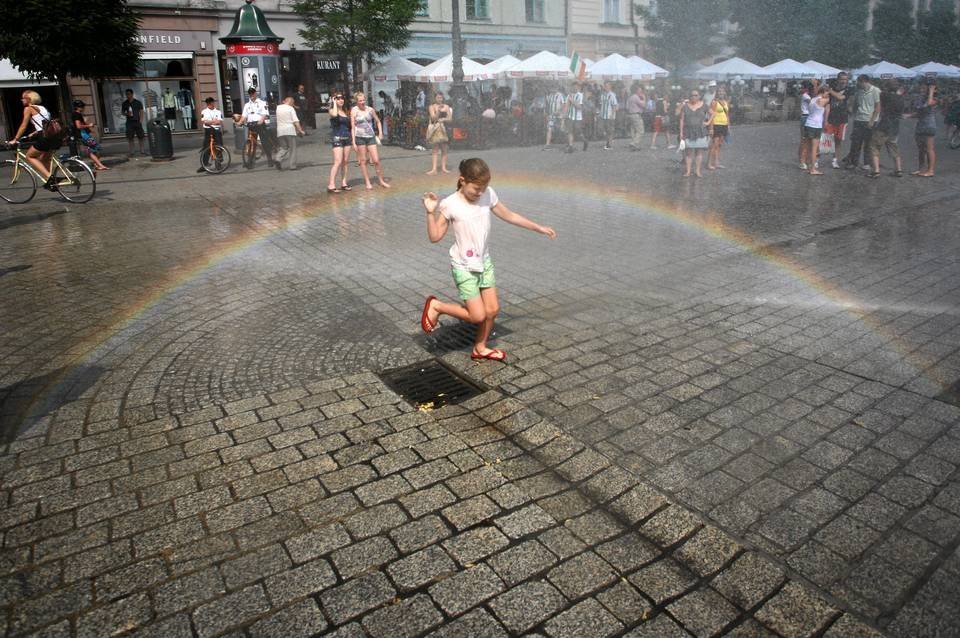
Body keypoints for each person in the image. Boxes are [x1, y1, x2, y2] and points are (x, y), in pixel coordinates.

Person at [419, 158, 557, 361]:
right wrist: (430, 213)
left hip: (484, 262)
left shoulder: (488, 194)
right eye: (476, 188)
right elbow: (434, 237)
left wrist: (538, 227)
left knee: (492, 310)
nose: (480, 192)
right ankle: (437, 306)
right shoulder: (450, 204)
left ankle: (480, 347)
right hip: (464, 267)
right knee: (477, 316)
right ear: (462, 180)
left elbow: (509, 215)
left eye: (483, 188)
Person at [7, 90, 61, 189]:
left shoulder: (28, 108)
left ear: (28, 99)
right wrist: (33, 133)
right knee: (44, 158)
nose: (21, 100)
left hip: (44, 137)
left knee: (29, 156)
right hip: (54, 136)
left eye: (23, 98)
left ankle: (50, 178)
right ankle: (52, 182)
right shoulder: (42, 108)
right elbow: (45, 125)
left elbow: (23, 125)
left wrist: (15, 139)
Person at [351, 91, 389, 189]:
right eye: (360, 101)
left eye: (364, 100)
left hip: (370, 136)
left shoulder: (370, 110)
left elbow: (378, 121)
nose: (362, 102)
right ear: (356, 101)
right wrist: (354, 142)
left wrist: (380, 133)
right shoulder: (354, 110)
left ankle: (381, 180)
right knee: (363, 161)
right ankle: (367, 182)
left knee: (376, 160)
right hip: (360, 137)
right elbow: (353, 127)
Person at [867, 80, 904, 178]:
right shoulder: (900, 98)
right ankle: (898, 170)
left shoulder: (884, 95)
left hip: (884, 125)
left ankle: (876, 171)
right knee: (893, 146)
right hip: (895, 126)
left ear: (887, 87)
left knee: (874, 146)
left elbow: (881, 94)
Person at [843, 74, 880, 170]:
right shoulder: (859, 92)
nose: (857, 84)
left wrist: (872, 120)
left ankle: (867, 163)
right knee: (856, 143)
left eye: (858, 82)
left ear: (864, 81)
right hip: (859, 120)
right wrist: (852, 112)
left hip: (870, 120)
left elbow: (878, 107)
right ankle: (854, 163)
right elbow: (856, 104)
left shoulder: (875, 91)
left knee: (868, 143)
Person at [236, 87, 275, 168]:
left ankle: (270, 159)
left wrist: (260, 121)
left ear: (255, 93)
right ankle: (250, 161)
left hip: (260, 124)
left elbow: (264, 114)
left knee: (264, 142)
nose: (251, 95)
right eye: (250, 94)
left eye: (252, 93)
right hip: (251, 125)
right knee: (251, 144)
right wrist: (239, 122)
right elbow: (244, 116)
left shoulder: (262, 103)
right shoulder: (247, 105)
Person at [70, 100, 109, 172]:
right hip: (83, 135)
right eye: (82, 106)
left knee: (95, 149)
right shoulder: (77, 114)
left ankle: (97, 164)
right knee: (93, 149)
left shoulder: (76, 114)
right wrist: (89, 125)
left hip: (84, 134)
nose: (83, 108)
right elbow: (78, 126)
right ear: (78, 107)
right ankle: (99, 165)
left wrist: (89, 129)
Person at [825, 72, 852, 169]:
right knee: (826, 139)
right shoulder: (832, 88)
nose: (844, 81)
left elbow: (840, 97)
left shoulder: (848, 89)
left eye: (846, 79)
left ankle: (835, 160)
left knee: (838, 140)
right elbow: (827, 102)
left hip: (842, 118)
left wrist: (830, 91)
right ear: (838, 79)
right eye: (842, 79)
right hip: (831, 117)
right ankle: (816, 159)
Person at [679, 89, 708, 177]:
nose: (694, 97)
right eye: (692, 95)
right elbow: (681, 120)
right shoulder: (685, 106)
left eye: (696, 95)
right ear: (689, 96)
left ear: (699, 96)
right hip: (688, 131)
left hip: (700, 131)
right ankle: (688, 171)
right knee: (688, 153)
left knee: (699, 152)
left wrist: (708, 122)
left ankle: (697, 171)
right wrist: (681, 132)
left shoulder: (704, 105)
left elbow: (713, 113)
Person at [327, 93, 352, 193]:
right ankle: (331, 185)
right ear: (334, 100)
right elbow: (334, 115)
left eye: (342, 98)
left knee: (345, 161)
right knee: (337, 161)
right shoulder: (332, 110)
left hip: (347, 138)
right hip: (337, 138)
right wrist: (333, 102)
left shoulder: (345, 111)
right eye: (338, 98)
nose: (341, 100)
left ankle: (344, 183)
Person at [911, 81, 938, 177]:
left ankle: (930, 170)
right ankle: (921, 169)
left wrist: (931, 91)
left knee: (929, 149)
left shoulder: (934, 98)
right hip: (920, 125)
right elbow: (919, 111)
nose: (921, 89)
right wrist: (908, 116)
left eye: (924, 88)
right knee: (921, 149)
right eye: (921, 88)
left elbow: (930, 103)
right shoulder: (921, 98)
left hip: (929, 125)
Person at [804, 84, 831, 175]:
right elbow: (829, 100)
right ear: (823, 92)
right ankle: (813, 169)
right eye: (827, 92)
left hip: (808, 123)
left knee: (808, 147)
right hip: (816, 126)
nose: (828, 94)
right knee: (814, 148)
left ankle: (808, 167)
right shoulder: (822, 100)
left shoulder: (813, 99)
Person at [195, 97, 224, 173]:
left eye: (210, 103)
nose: (209, 105)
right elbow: (205, 122)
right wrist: (213, 121)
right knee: (206, 147)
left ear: (213, 103)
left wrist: (210, 122)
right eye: (207, 104)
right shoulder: (204, 112)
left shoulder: (218, 111)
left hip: (217, 130)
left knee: (219, 147)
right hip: (208, 130)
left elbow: (219, 122)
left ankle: (218, 163)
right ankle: (204, 165)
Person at [426, 92, 453, 175]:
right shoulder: (432, 107)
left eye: (441, 97)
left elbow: (450, 119)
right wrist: (438, 110)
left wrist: (444, 119)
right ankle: (434, 169)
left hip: (444, 128)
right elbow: (433, 118)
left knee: (444, 149)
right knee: (435, 149)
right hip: (436, 129)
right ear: (435, 98)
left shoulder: (446, 106)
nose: (439, 99)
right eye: (438, 97)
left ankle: (444, 168)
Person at [276, 96, 305, 170]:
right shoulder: (290, 108)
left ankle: (278, 159)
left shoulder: (278, 108)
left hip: (280, 131)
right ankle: (292, 166)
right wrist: (300, 130)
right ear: (291, 102)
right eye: (293, 103)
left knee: (284, 147)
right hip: (289, 131)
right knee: (292, 148)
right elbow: (296, 121)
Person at [707, 85, 730, 170]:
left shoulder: (726, 102)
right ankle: (709, 163)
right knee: (714, 145)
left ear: (724, 92)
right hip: (716, 125)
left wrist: (728, 126)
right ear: (717, 93)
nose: (721, 93)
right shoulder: (714, 102)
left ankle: (716, 162)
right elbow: (711, 115)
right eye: (719, 91)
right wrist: (711, 128)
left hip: (724, 125)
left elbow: (727, 115)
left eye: (722, 91)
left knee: (719, 145)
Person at [121, 89, 145, 157]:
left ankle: (142, 150)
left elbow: (141, 111)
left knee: (141, 136)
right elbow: (122, 112)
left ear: (132, 94)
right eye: (126, 94)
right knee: (130, 137)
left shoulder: (137, 102)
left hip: (137, 121)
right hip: (129, 122)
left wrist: (141, 120)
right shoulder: (125, 103)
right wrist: (126, 114)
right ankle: (132, 151)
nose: (127, 95)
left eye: (129, 94)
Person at [564, 82, 586, 153]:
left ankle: (585, 141)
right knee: (570, 131)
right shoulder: (569, 95)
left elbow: (579, 107)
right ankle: (571, 147)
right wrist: (564, 114)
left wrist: (572, 101)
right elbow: (566, 106)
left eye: (576, 87)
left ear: (578, 87)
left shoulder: (580, 95)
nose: (574, 88)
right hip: (570, 116)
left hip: (578, 118)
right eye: (573, 87)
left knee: (578, 133)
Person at [798, 80, 813, 169]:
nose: (801, 89)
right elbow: (813, 104)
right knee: (804, 140)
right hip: (805, 117)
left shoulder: (807, 95)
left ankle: (806, 159)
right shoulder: (805, 96)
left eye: (803, 87)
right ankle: (802, 160)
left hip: (808, 117)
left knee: (808, 140)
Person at [626, 84, 646, 150]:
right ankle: (634, 143)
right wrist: (644, 98)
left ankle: (634, 144)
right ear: (636, 90)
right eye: (640, 90)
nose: (641, 91)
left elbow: (627, 107)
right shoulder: (636, 97)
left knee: (633, 130)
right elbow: (643, 105)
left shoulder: (630, 97)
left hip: (630, 114)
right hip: (636, 115)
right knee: (640, 130)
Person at [599, 82, 619, 150]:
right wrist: (600, 113)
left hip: (609, 116)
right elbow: (601, 105)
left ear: (610, 87)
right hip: (602, 116)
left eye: (607, 86)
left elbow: (615, 106)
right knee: (600, 128)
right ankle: (608, 140)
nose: (606, 87)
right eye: (605, 86)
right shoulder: (602, 95)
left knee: (609, 130)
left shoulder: (612, 95)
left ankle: (609, 144)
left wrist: (612, 115)